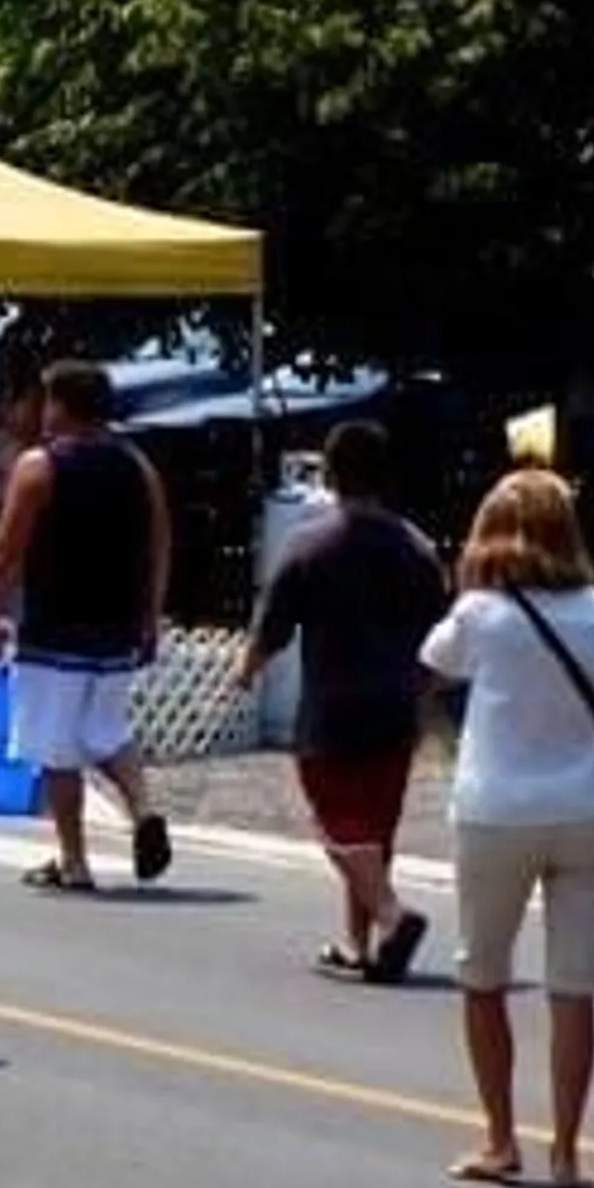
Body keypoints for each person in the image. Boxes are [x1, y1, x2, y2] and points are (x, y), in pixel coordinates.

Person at [423, 471, 594, 1188]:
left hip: (495, 812)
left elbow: (430, 668)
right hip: (589, 808)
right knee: (573, 988)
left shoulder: (480, 613)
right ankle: (566, 1151)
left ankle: (499, 1140)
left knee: (482, 976)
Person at [241, 418, 447, 982]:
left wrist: (247, 669)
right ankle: (361, 946)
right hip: (396, 708)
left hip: (332, 709)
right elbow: (441, 639)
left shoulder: (312, 542)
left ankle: (391, 915)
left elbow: (274, 625)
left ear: (330, 474)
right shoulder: (418, 548)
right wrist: (421, 693)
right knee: (375, 831)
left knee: (335, 825)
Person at [0, 359, 175, 893]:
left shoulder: (39, 467)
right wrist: (149, 617)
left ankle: (74, 860)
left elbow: (3, 551)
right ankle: (143, 808)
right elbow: (159, 545)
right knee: (108, 732)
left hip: (53, 627)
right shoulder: (138, 467)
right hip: (116, 629)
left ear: (60, 405)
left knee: (56, 747)